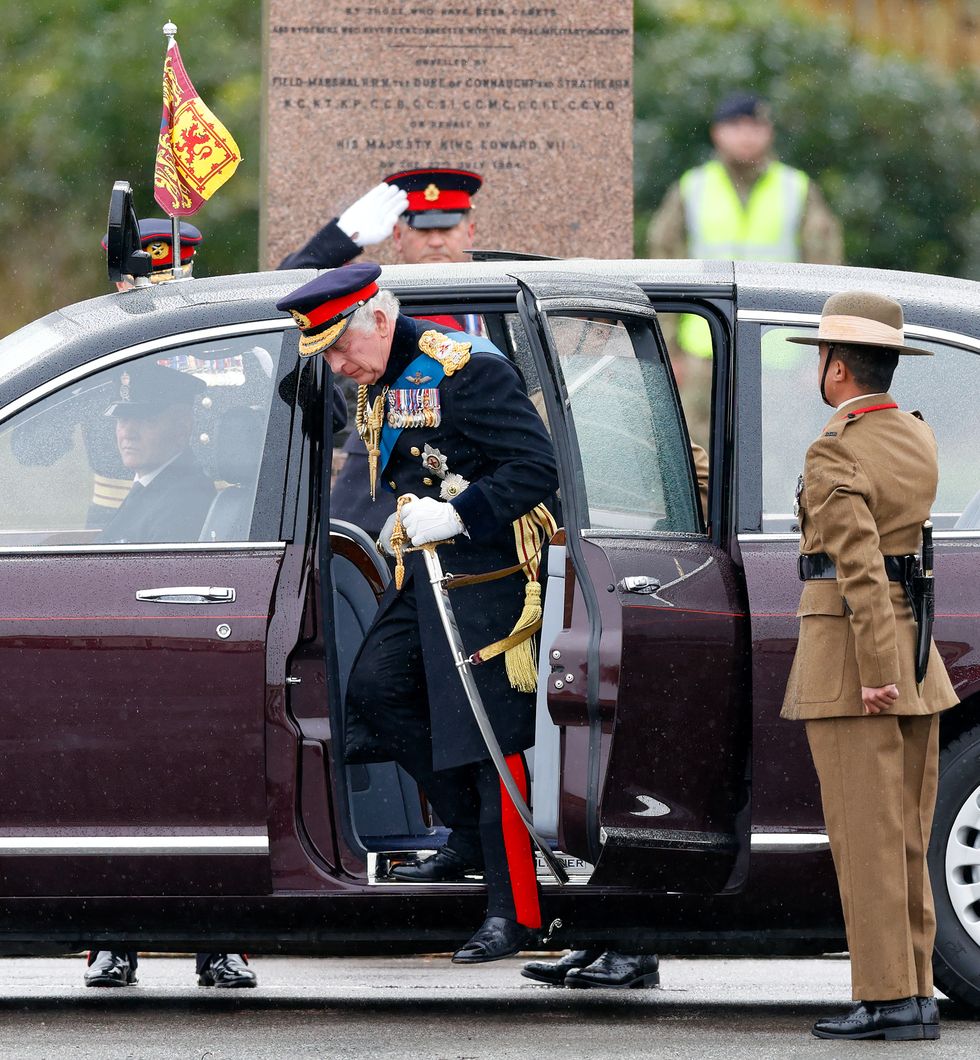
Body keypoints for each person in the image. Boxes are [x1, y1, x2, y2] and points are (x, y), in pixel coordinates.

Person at [276, 263, 559, 963]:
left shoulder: (463, 369)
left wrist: (458, 515)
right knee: (376, 687)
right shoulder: (375, 369)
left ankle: (512, 910)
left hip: (487, 575)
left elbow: (534, 467)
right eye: (329, 354)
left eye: (343, 347)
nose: (341, 366)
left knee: (491, 744)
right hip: (423, 572)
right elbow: (331, 415)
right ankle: (466, 834)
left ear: (376, 316)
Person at [781, 291, 958, 1040]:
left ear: (838, 368)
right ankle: (913, 992)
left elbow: (857, 568)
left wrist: (877, 668)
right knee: (906, 837)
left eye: (821, 356)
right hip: (914, 657)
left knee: (866, 838)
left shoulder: (837, 447)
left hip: (860, 663)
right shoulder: (914, 437)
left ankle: (886, 997)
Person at [84, 362, 256, 989]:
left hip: (170, 676)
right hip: (142, 672)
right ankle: (137, 939)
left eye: (144, 417)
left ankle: (193, 942)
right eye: (123, 418)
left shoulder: (183, 493)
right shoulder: (143, 487)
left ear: (181, 422)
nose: (127, 430)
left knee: (180, 801)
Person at [290, 168, 485, 538]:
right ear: (397, 236)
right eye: (423, 230)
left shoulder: (501, 303)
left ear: (470, 233)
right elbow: (289, 300)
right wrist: (340, 239)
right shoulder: (370, 303)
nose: (436, 242)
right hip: (387, 473)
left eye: (446, 228)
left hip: (477, 479)